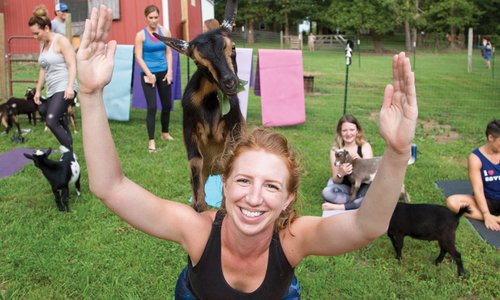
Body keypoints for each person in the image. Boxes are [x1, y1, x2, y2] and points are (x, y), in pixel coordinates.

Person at [77, 6, 417, 298]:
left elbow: (366, 225)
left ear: (288, 199)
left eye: (271, 185)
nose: (254, 197)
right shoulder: (198, 232)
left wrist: (398, 152)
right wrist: (90, 96)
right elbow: (111, 187)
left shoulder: (291, 241)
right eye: (243, 180)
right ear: (223, 185)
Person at [29, 5, 77, 151]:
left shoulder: (60, 41)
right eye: (33, 34)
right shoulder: (44, 45)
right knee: (61, 122)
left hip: (64, 86)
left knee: (51, 120)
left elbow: (72, 64)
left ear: (46, 28)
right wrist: (38, 91)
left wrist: (70, 86)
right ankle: (69, 154)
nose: (35, 37)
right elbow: (43, 69)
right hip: (51, 89)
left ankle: (68, 153)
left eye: (37, 33)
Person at [446, 120, 500, 231]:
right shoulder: (476, 158)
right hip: (486, 200)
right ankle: (494, 218)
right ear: (491, 138)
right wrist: (486, 214)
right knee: (452, 202)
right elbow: (478, 189)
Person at [134, 4, 174, 153]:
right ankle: (151, 141)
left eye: (156, 17)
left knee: (167, 105)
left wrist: (169, 71)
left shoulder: (165, 32)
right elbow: (138, 56)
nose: (153, 20)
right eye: (150, 18)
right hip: (148, 74)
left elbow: (169, 53)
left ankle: (165, 133)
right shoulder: (141, 35)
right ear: (146, 18)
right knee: (152, 107)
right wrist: (148, 74)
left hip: (163, 72)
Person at [321, 115, 374, 211]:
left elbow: (369, 176)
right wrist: (341, 173)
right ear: (340, 133)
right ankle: (355, 203)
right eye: (344, 130)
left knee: (372, 194)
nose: (348, 133)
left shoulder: (364, 146)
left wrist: (360, 161)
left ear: (357, 131)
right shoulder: (335, 150)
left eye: (352, 130)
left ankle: (341, 206)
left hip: (364, 186)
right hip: (347, 188)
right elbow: (336, 180)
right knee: (327, 192)